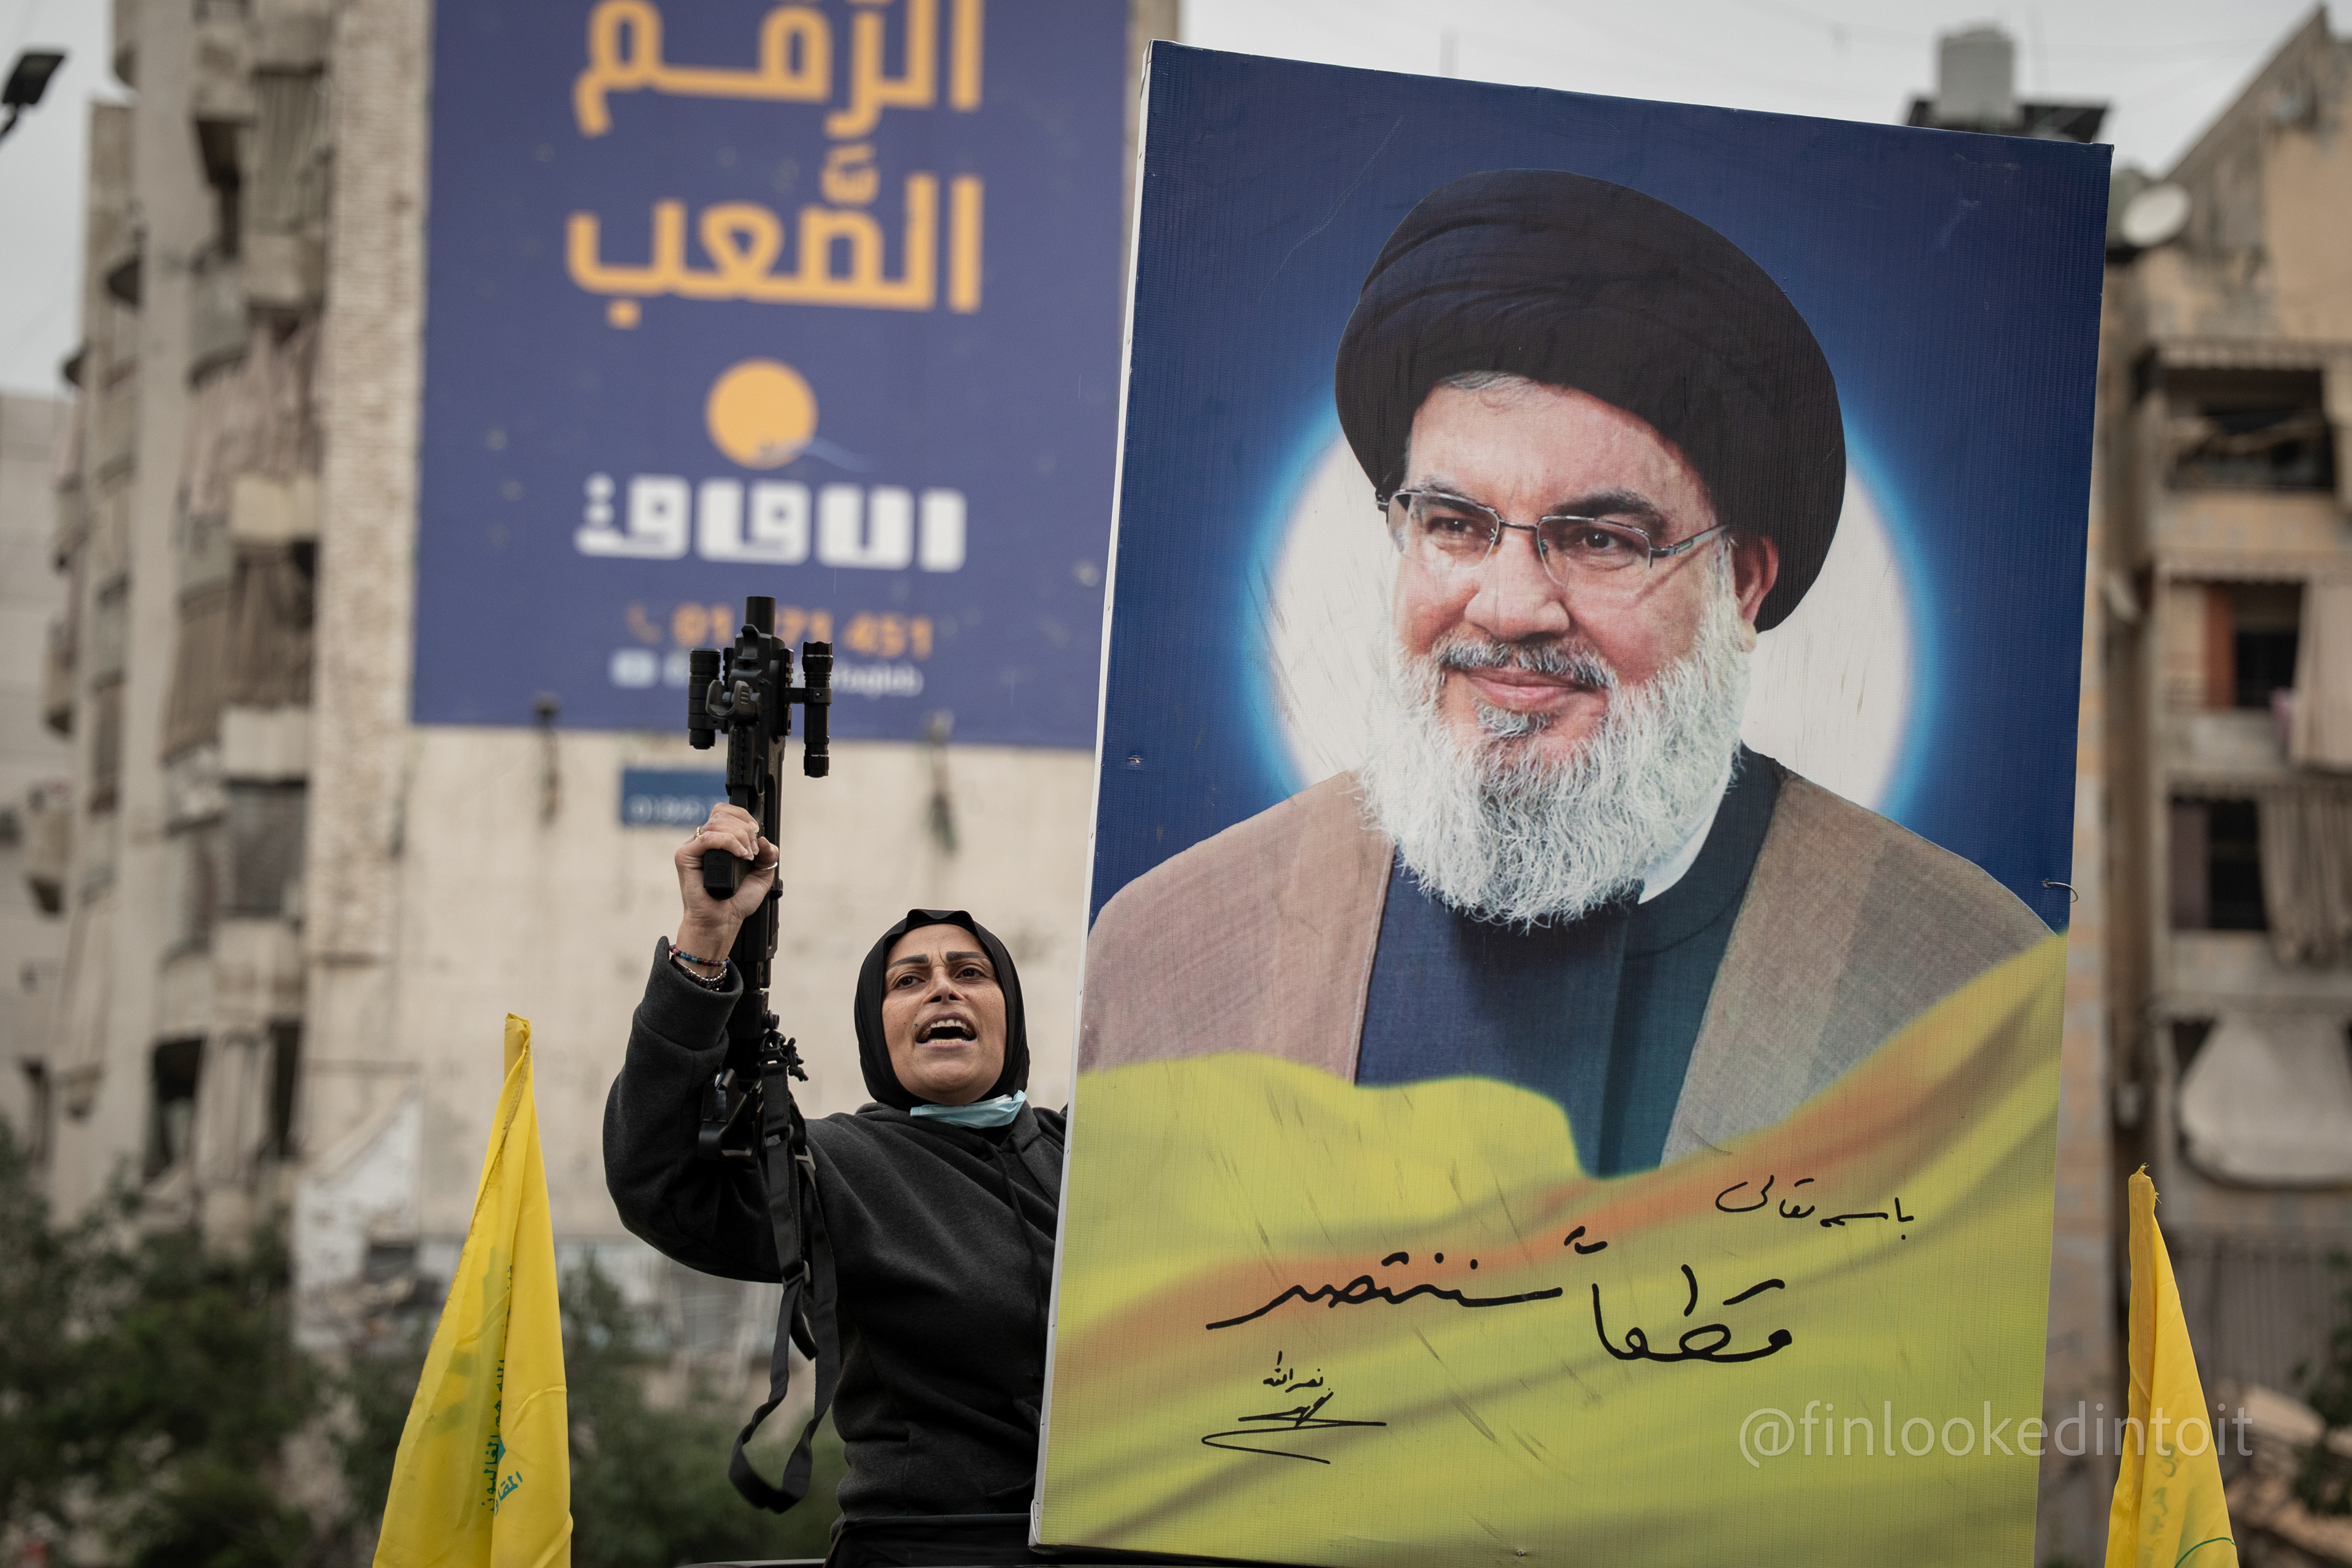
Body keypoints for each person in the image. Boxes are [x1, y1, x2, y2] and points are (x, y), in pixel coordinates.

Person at [1079, 168, 2050, 1177]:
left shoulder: (1966, 987)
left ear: (1744, 583)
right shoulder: (1171, 955)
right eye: (1454, 526)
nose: (1508, 607)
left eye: (1596, 538)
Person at [605, 803, 1062, 1568]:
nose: (942, 990)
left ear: (1009, 1015)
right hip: (928, 1549)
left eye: (971, 973)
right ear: (876, 1030)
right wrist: (707, 944)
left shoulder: (1090, 1150)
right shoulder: (840, 1162)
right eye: (908, 980)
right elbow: (662, 1182)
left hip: (1121, 1544)